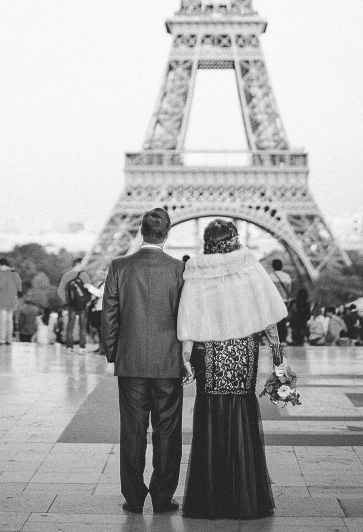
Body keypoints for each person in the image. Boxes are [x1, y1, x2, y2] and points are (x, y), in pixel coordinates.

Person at [177, 219, 288, 520]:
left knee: (210, 413)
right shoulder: (250, 266)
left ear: (207, 241)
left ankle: (210, 498)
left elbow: (187, 319)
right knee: (242, 410)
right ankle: (243, 496)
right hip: (242, 351)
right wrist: (278, 356)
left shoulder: (196, 270)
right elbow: (269, 316)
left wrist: (186, 359)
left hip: (209, 352)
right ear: (234, 238)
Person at [101, 207, 184, 516]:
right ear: (167, 232)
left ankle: (134, 497)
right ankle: (163, 497)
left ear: (141, 232)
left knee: (133, 431)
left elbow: (110, 313)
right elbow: (184, 318)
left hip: (131, 361)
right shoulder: (179, 269)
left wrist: (114, 352)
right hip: (168, 361)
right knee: (167, 431)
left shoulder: (119, 266)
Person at [58, 256, 93, 353]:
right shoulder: (84, 275)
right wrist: (87, 301)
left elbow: (60, 291)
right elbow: (89, 289)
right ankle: (82, 347)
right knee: (82, 325)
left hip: (72, 305)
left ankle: (69, 347)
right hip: (83, 304)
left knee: (70, 325)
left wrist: (67, 301)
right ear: (78, 264)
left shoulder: (66, 276)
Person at [0, 258, 21, 345]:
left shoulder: (2, 273)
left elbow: (0, 286)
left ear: (0, 264)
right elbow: (19, 286)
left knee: (2, 321)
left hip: (2, 300)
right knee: (9, 320)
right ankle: (9, 339)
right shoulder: (14, 273)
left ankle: (1, 339)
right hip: (12, 300)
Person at [269, 259, 292, 343]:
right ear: (282, 266)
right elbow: (289, 290)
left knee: (274, 320)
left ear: (273, 266)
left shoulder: (269, 276)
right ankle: (283, 338)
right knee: (283, 320)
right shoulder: (287, 276)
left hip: (274, 301)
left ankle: (275, 339)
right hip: (284, 301)